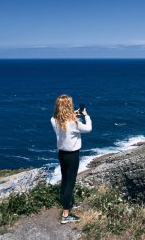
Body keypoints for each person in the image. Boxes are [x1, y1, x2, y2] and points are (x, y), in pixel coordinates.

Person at [51, 94, 92, 224]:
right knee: (71, 183)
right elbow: (88, 129)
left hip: (62, 154)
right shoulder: (74, 123)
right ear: (69, 106)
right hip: (72, 156)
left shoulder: (54, 119)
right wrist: (86, 116)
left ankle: (66, 201)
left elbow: (63, 119)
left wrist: (73, 114)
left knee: (64, 179)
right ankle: (66, 213)